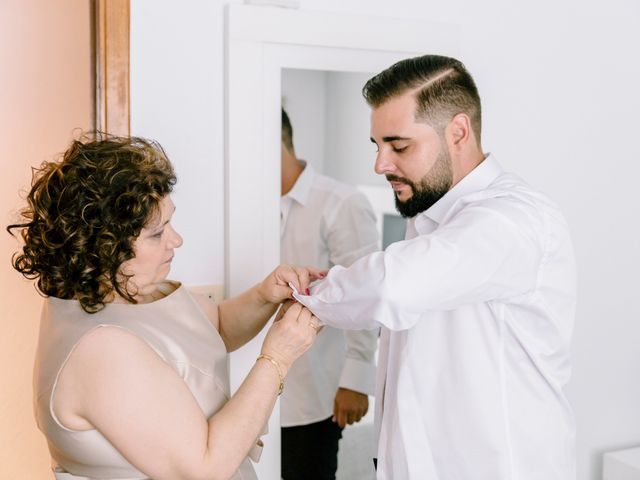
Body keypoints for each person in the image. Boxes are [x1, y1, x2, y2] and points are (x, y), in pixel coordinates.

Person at [291, 55, 577, 479]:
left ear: (458, 132)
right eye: (377, 146)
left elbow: (391, 287)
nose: (380, 164)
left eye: (399, 146)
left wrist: (303, 290)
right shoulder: (431, 216)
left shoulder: (510, 219)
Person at [7, 134, 322, 480]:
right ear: (105, 247)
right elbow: (204, 467)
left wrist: (264, 295)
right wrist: (277, 358)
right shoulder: (101, 349)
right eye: (157, 233)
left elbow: (210, 330)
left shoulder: (129, 288)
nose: (176, 240)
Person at [279, 108, 379, 480]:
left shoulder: (340, 202)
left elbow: (365, 295)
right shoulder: (247, 200)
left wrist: (356, 379)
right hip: (256, 392)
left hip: (314, 391)